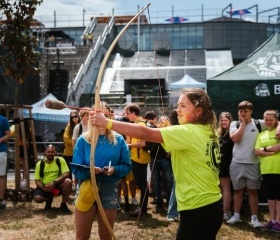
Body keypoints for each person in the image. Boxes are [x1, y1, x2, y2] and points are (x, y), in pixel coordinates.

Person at [90, 88, 223, 239]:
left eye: (183, 106)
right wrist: (167, 128)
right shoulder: (208, 130)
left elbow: (145, 133)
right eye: (178, 105)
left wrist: (106, 122)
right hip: (212, 205)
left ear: (199, 111)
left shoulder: (188, 132)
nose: (177, 110)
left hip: (199, 208)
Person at [72, 102, 131, 240]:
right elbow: (76, 167)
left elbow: (127, 166)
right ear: (92, 116)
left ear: (110, 116)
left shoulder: (118, 139)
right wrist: (90, 171)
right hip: (87, 186)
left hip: (109, 188)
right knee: (82, 236)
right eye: (97, 115)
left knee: (106, 235)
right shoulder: (83, 140)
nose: (101, 118)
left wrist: (114, 169)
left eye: (105, 115)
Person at [226, 101, 265, 227]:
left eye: (245, 111)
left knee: (253, 192)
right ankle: (236, 216)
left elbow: (275, 123)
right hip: (236, 163)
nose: (243, 113)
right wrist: (242, 124)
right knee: (237, 191)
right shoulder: (234, 123)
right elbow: (235, 139)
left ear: (251, 111)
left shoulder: (259, 123)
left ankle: (254, 218)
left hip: (253, 164)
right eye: (241, 111)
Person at [255, 110, 280, 232]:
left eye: (271, 119)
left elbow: (279, 147)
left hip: (278, 168)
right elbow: (256, 151)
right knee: (270, 196)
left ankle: (279, 222)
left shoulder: (279, 132)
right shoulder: (261, 135)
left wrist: (264, 150)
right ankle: (272, 220)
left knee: (279, 197)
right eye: (266, 120)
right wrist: (271, 150)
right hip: (266, 169)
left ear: (276, 120)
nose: (268, 122)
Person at [125, 104, 151, 217]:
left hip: (139, 159)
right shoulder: (137, 124)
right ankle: (142, 209)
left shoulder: (140, 125)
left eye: (128, 113)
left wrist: (129, 145)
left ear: (134, 113)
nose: (127, 116)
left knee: (142, 186)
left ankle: (143, 211)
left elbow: (142, 143)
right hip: (138, 158)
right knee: (142, 185)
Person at [145, 111, 173, 208]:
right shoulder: (154, 129)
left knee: (168, 180)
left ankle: (170, 199)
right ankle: (158, 199)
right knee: (155, 180)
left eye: (165, 122)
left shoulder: (170, 132)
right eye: (161, 121)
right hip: (154, 158)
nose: (162, 123)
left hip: (165, 159)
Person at [33, 144, 72, 213]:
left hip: (57, 185)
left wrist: (54, 182)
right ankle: (48, 199)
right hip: (45, 187)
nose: (50, 154)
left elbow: (67, 173)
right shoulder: (40, 164)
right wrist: (43, 188)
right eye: (48, 152)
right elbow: (37, 180)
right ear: (45, 152)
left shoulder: (60, 160)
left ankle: (63, 205)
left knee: (68, 181)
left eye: (52, 152)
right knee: (37, 199)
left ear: (55, 153)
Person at [217, 112, 234, 220]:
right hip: (219, 164)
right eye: (222, 120)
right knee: (221, 188)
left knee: (226, 187)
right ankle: (224, 210)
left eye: (226, 120)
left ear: (230, 121)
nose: (223, 122)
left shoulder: (231, 133)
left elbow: (223, 149)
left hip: (227, 164)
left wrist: (219, 152)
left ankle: (226, 212)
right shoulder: (220, 133)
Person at [167, 109, 179, 222]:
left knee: (176, 188)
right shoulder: (175, 130)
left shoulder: (177, 130)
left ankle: (174, 213)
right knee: (176, 187)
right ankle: (172, 213)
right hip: (178, 166)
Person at [63, 110, 81, 180]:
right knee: (68, 172)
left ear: (78, 116)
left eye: (75, 116)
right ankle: (70, 187)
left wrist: (74, 142)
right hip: (68, 153)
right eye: (72, 117)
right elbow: (66, 139)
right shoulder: (69, 126)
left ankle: (77, 187)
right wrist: (77, 142)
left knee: (78, 171)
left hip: (79, 153)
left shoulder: (82, 125)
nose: (74, 118)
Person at [0, 114, 11, 210]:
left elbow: (8, 134)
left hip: (1, 151)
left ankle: (1, 199)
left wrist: (0, 140)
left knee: (1, 176)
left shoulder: (3, 119)